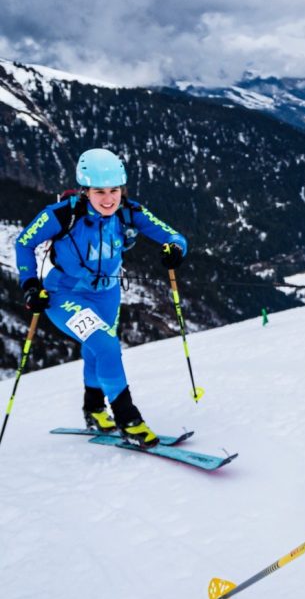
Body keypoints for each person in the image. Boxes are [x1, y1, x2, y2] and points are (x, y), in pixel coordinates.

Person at [15, 148, 187, 447]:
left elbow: (173, 235)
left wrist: (174, 249)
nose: (108, 199)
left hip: (107, 293)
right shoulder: (61, 214)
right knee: (107, 346)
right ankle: (127, 419)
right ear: (85, 191)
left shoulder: (128, 211)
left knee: (96, 349)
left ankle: (94, 409)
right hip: (63, 293)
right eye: (99, 192)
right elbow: (24, 243)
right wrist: (30, 285)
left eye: (114, 190)